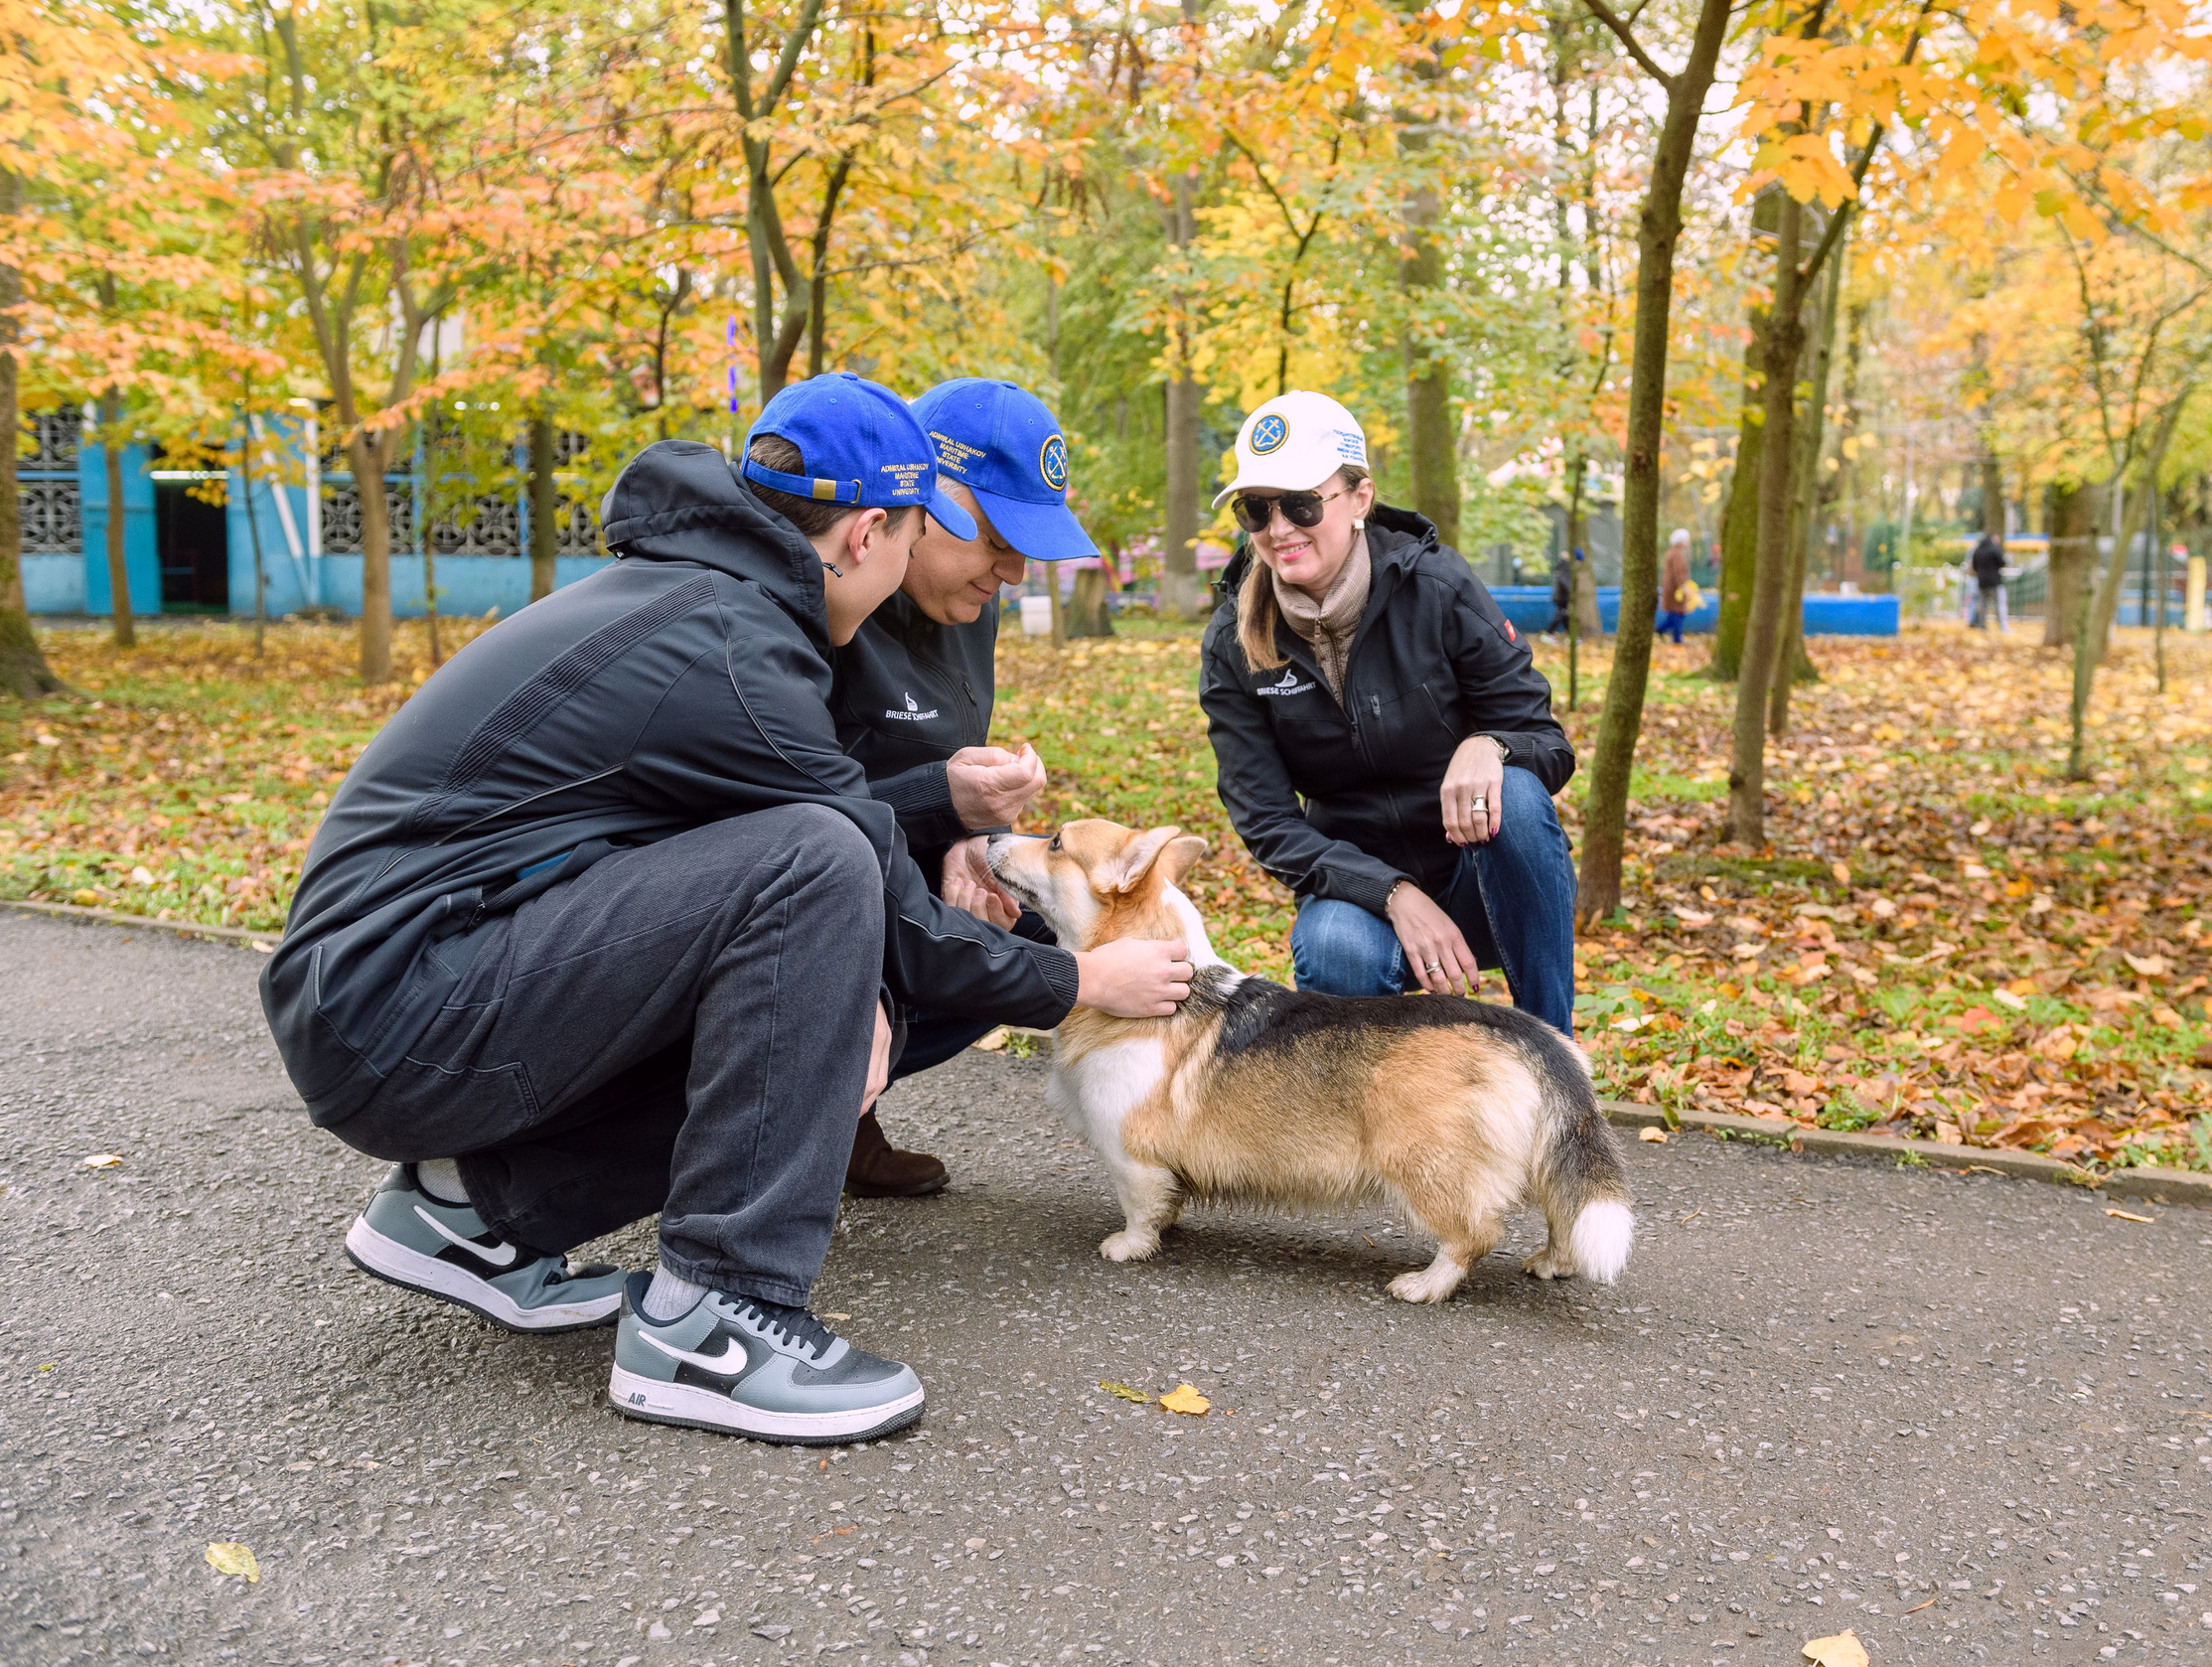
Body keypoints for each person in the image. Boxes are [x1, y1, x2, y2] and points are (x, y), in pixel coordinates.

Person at [262, 374, 1193, 1445]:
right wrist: (1075, 981)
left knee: (830, 916)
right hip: (397, 1009)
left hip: (401, 992)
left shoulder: (710, 605)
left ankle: (473, 1211)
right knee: (820, 857)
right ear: (869, 534)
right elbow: (859, 879)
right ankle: (715, 1319)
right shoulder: (732, 648)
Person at [1198, 390, 1580, 1034]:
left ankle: (1555, 1055)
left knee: (1514, 794)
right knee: (1334, 947)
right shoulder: (1233, 645)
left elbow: (1546, 740)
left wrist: (1490, 745)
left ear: (1360, 499)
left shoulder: (1438, 587)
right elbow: (1267, 823)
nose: (1279, 528)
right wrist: (1394, 894)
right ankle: (1377, 1119)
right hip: (1359, 900)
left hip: (1480, 881)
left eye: (1301, 502)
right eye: (1256, 509)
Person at [823, 377, 1102, 1196]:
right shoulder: (829, 604)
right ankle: (795, 1109)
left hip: (885, 874)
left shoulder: (967, 606)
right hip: (805, 888)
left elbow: (931, 762)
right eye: (995, 538)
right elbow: (792, 805)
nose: (1013, 573)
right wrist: (936, 800)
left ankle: (842, 1114)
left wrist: (965, 839)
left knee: (1026, 943)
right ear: (927, 498)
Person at [1657, 529, 1695, 644]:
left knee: (1674, 614)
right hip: (1675, 590)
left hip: (1672, 588)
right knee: (1677, 613)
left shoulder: (1672, 552)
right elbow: (1678, 573)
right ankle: (1676, 638)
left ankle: (1662, 630)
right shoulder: (1676, 554)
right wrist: (1683, 587)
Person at [1968, 529, 2008, 632]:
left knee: (1982, 605)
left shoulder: (1977, 551)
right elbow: (2002, 563)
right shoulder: (1994, 550)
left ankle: (1982, 626)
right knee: (2000, 604)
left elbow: (1975, 566)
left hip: (1981, 582)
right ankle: (2002, 627)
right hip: (1995, 582)